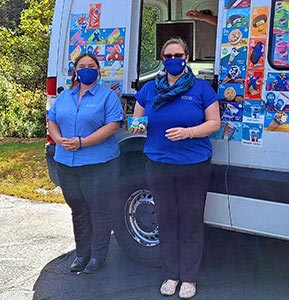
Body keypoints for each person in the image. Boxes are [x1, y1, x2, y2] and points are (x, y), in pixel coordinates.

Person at [131, 37, 220, 298]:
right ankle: (171, 275)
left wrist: (189, 132)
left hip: (194, 165)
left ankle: (189, 278)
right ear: (162, 59)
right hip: (159, 164)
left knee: (191, 221)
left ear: (186, 57)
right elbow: (137, 122)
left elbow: (214, 123)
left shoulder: (201, 88)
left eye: (177, 55)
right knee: (166, 220)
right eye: (167, 56)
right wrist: (136, 125)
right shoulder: (149, 90)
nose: (173, 60)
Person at [47, 54, 124, 274]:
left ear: (99, 71)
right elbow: (52, 120)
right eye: (82, 66)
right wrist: (59, 140)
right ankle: (82, 254)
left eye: (91, 66)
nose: (86, 69)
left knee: (99, 210)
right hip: (66, 163)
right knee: (78, 210)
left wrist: (83, 142)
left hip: (98, 164)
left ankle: (98, 257)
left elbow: (112, 126)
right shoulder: (65, 96)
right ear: (75, 71)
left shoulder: (107, 96)